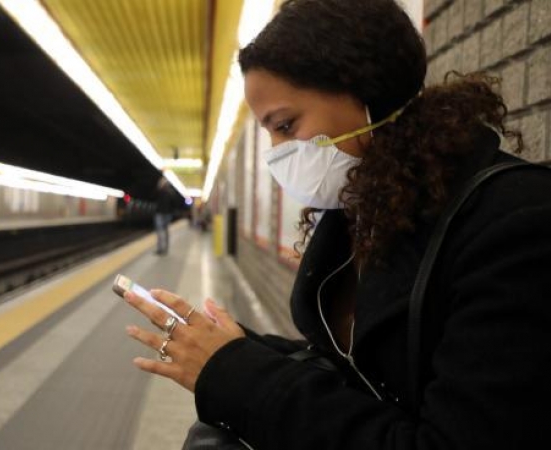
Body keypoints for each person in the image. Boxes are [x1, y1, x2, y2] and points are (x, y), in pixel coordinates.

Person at [119, 0, 551, 449]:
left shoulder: (517, 225)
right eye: (268, 132)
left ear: (365, 94)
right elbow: (357, 374)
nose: (276, 153)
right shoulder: (369, 213)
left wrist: (239, 377)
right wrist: (234, 350)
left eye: (285, 124)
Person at [154, 176, 175, 255]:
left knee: (162, 231)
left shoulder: (169, 192)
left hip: (164, 214)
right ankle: (162, 248)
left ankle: (163, 248)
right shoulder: (160, 191)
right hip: (161, 213)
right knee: (162, 231)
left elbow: (174, 203)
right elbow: (153, 197)